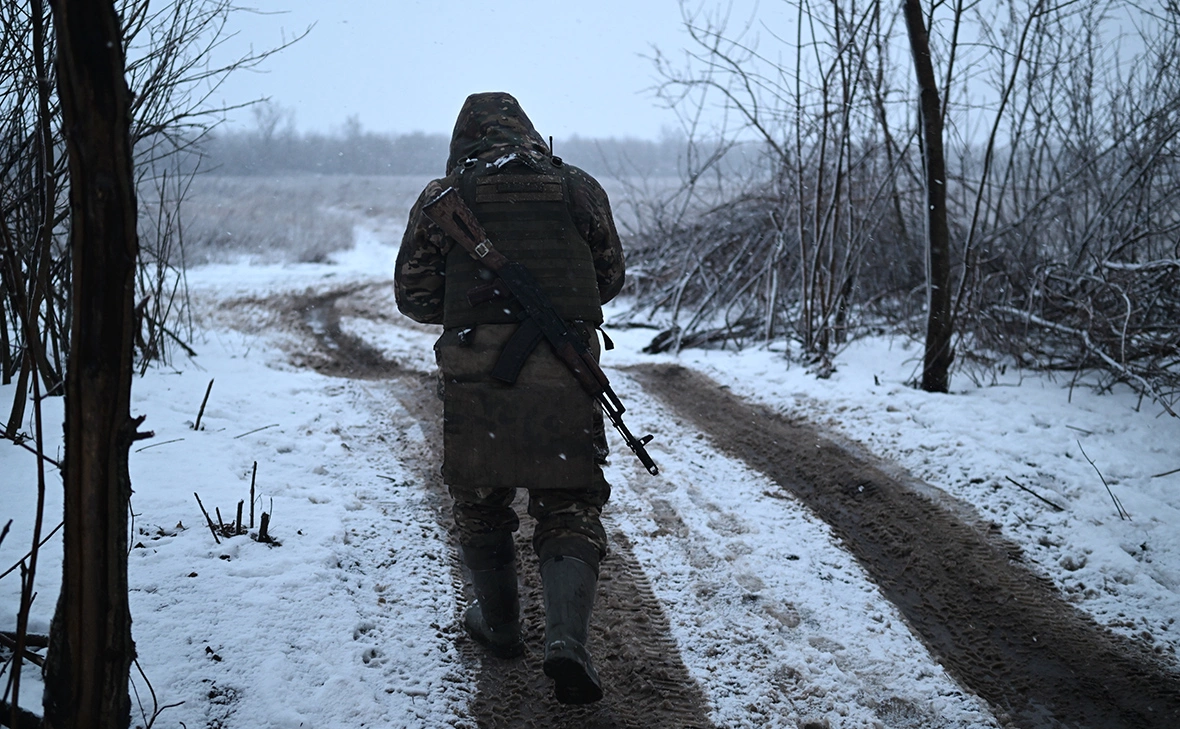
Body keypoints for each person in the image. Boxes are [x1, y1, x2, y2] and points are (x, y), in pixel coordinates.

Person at [394, 91, 625, 705]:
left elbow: (414, 298)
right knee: (569, 504)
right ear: (529, 133)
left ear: (463, 141)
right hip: (566, 372)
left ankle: (497, 626)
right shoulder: (578, 187)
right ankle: (566, 642)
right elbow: (607, 279)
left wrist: (474, 299)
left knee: (480, 500)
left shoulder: (443, 199)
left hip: (477, 377)